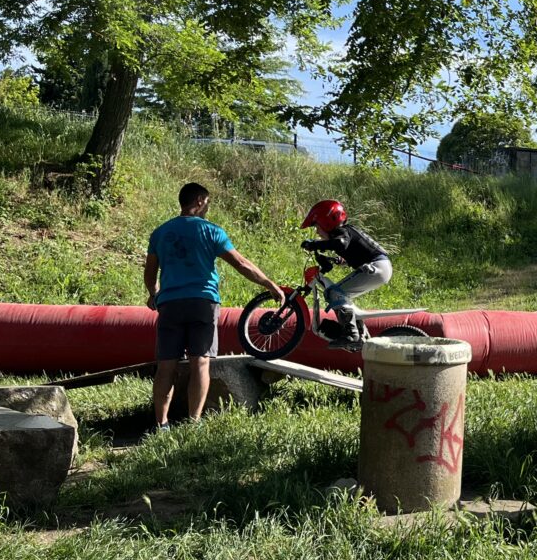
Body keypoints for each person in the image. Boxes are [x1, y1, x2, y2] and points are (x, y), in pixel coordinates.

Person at [145, 182, 281, 430]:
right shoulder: (212, 231)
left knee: (166, 366)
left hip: (170, 305)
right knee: (201, 362)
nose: (208, 206)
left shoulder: (160, 233)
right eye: (207, 201)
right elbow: (241, 264)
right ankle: (193, 422)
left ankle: (161, 423)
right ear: (198, 201)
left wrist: (153, 294)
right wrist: (269, 284)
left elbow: (149, 274)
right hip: (202, 303)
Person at [299, 199, 392, 348]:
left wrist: (314, 244)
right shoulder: (346, 233)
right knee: (343, 297)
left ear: (326, 222)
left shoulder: (343, 232)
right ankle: (361, 334)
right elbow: (354, 254)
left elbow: (341, 243)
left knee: (334, 292)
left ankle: (351, 334)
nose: (317, 232)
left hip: (376, 266)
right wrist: (335, 260)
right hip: (379, 267)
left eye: (317, 226)